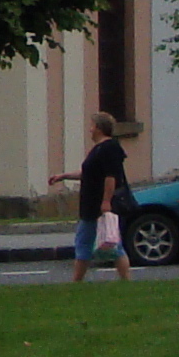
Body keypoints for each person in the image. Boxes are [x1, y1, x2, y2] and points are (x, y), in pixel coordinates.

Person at [72, 113, 137, 282]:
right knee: (111, 243)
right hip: (91, 205)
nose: (90, 129)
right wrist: (63, 176)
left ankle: (76, 281)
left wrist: (106, 201)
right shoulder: (99, 149)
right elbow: (89, 173)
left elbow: (111, 177)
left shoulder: (109, 148)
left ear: (99, 128)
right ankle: (125, 279)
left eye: (92, 125)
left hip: (97, 205)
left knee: (85, 242)